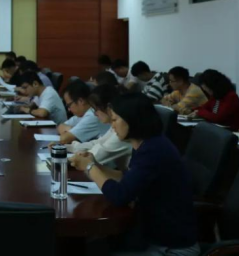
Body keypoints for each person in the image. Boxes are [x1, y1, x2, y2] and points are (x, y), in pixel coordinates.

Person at [73, 93, 199, 256]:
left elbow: (120, 196)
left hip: (171, 247)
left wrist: (90, 167)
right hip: (148, 234)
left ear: (133, 120)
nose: (112, 125)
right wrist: (95, 165)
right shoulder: (145, 143)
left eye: (115, 120)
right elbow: (127, 178)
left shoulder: (154, 150)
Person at [68, 85, 132, 171]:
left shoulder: (123, 132)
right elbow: (98, 143)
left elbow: (97, 154)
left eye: (96, 109)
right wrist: (66, 148)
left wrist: (64, 156)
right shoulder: (116, 126)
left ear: (108, 108)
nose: (95, 114)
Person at [56, 80, 109, 144]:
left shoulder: (93, 115)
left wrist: (71, 131)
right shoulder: (81, 114)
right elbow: (60, 126)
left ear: (81, 101)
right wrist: (72, 130)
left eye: (69, 105)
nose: (69, 109)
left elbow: (64, 139)